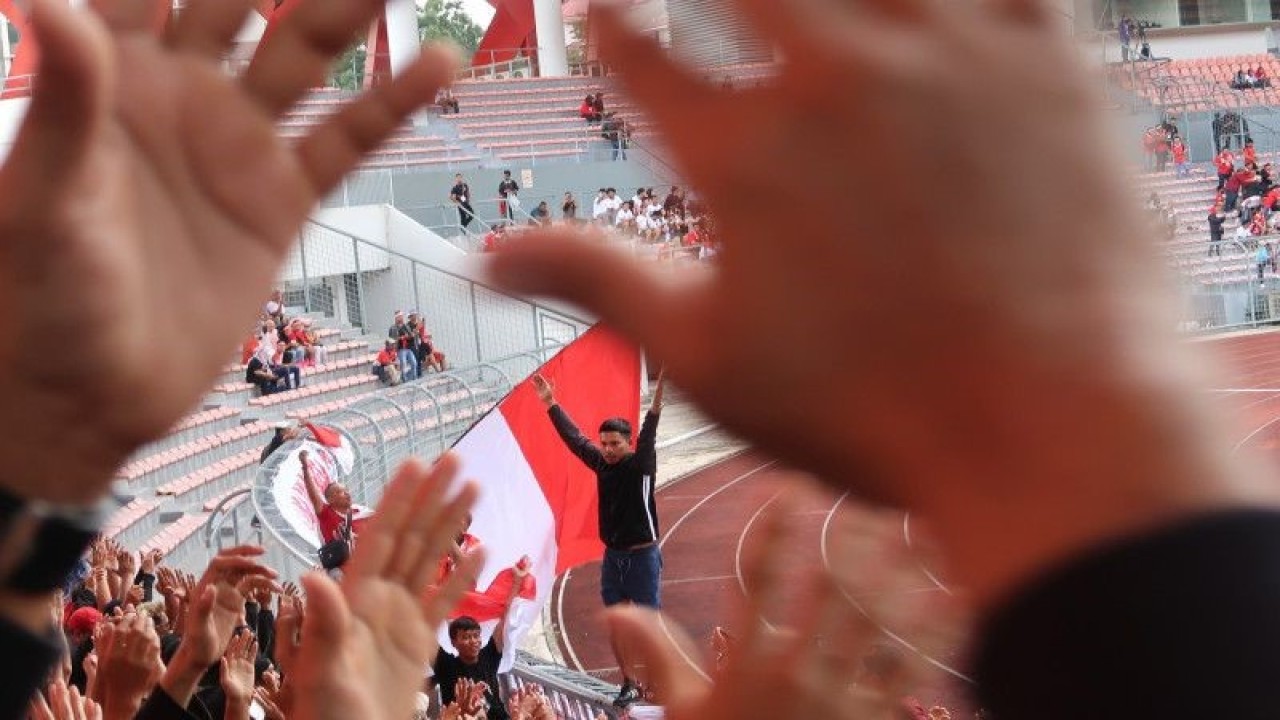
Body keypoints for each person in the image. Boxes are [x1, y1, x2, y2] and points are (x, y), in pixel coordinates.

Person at [533, 372, 665, 707]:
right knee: (617, 626)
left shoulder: (642, 464)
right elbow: (575, 439)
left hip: (642, 558)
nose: (606, 450)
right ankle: (629, 683)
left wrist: (663, 376)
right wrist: (551, 403)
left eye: (614, 444)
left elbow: (652, 419)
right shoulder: (601, 463)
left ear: (629, 442)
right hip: (613, 558)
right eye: (603, 443)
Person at [299, 449, 368, 545]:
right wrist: (305, 467)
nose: (347, 494)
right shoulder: (326, 513)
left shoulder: (363, 512)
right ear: (330, 499)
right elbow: (312, 492)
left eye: (346, 490)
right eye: (340, 492)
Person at [388, 310, 420, 382]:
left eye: (402, 316)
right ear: (396, 318)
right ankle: (405, 380)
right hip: (400, 349)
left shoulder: (405, 326)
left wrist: (413, 333)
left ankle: (414, 379)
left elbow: (411, 336)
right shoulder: (393, 328)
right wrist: (401, 338)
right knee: (403, 364)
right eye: (400, 317)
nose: (402, 318)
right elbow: (392, 340)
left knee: (414, 363)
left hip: (408, 348)